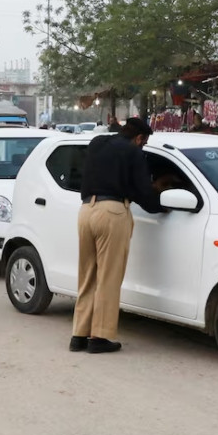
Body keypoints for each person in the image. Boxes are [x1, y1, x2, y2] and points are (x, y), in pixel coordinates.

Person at [71, 118, 164, 354]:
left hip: (86, 211)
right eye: (144, 142)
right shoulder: (133, 152)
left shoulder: (97, 143)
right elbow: (143, 190)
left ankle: (79, 334)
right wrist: (158, 204)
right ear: (140, 138)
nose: (142, 146)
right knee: (108, 277)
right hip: (112, 213)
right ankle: (100, 337)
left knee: (87, 276)